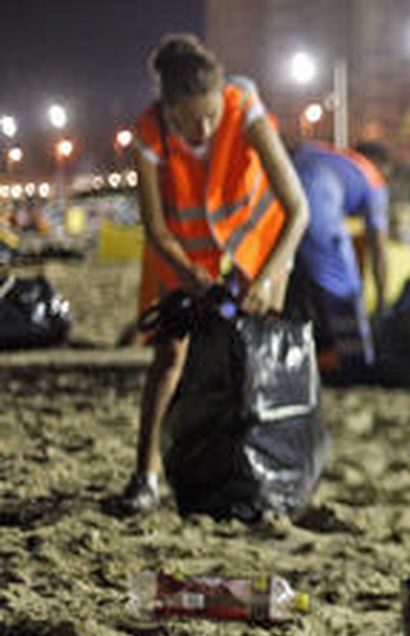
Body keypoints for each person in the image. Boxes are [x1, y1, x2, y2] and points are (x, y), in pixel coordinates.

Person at [114, 34, 308, 515]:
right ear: (169, 109)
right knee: (169, 358)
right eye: (189, 119)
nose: (202, 129)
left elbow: (297, 210)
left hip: (258, 248)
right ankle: (146, 476)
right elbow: (155, 228)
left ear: (222, 96)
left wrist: (267, 277)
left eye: (211, 115)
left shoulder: (244, 109)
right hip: (183, 253)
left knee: (260, 356)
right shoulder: (150, 131)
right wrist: (191, 277)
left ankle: (265, 470)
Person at [285, 138, 390, 378]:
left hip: (280, 199)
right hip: (317, 208)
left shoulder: (327, 154)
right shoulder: (372, 177)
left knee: (293, 281)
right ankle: (355, 362)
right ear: (381, 166)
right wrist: (382, 301)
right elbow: (378, 247)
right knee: (344, 286)